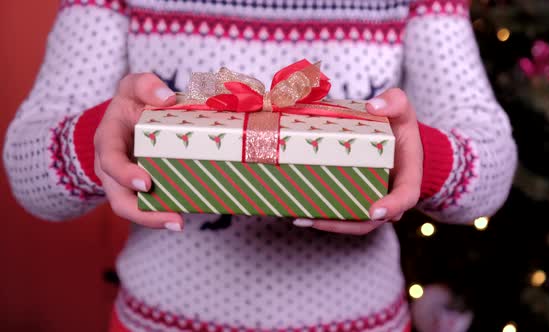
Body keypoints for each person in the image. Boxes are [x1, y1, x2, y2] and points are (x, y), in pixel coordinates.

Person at [3, 0, 517, 331]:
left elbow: (489, 168)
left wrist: (410, 157)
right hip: (154, 323)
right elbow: (31, 173)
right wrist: (104, 138)